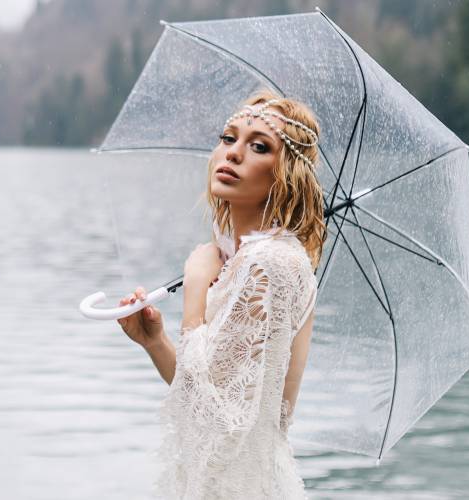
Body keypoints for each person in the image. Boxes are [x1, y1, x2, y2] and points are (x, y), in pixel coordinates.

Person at [117, 89, 326, 499]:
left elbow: (219, 420)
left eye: (259, 146)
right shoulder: (249, 259)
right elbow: (209, 390)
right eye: (228, 138)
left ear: (285, 174)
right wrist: (155, 342)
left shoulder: (270, 265)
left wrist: (195, 292)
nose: (233, 153)